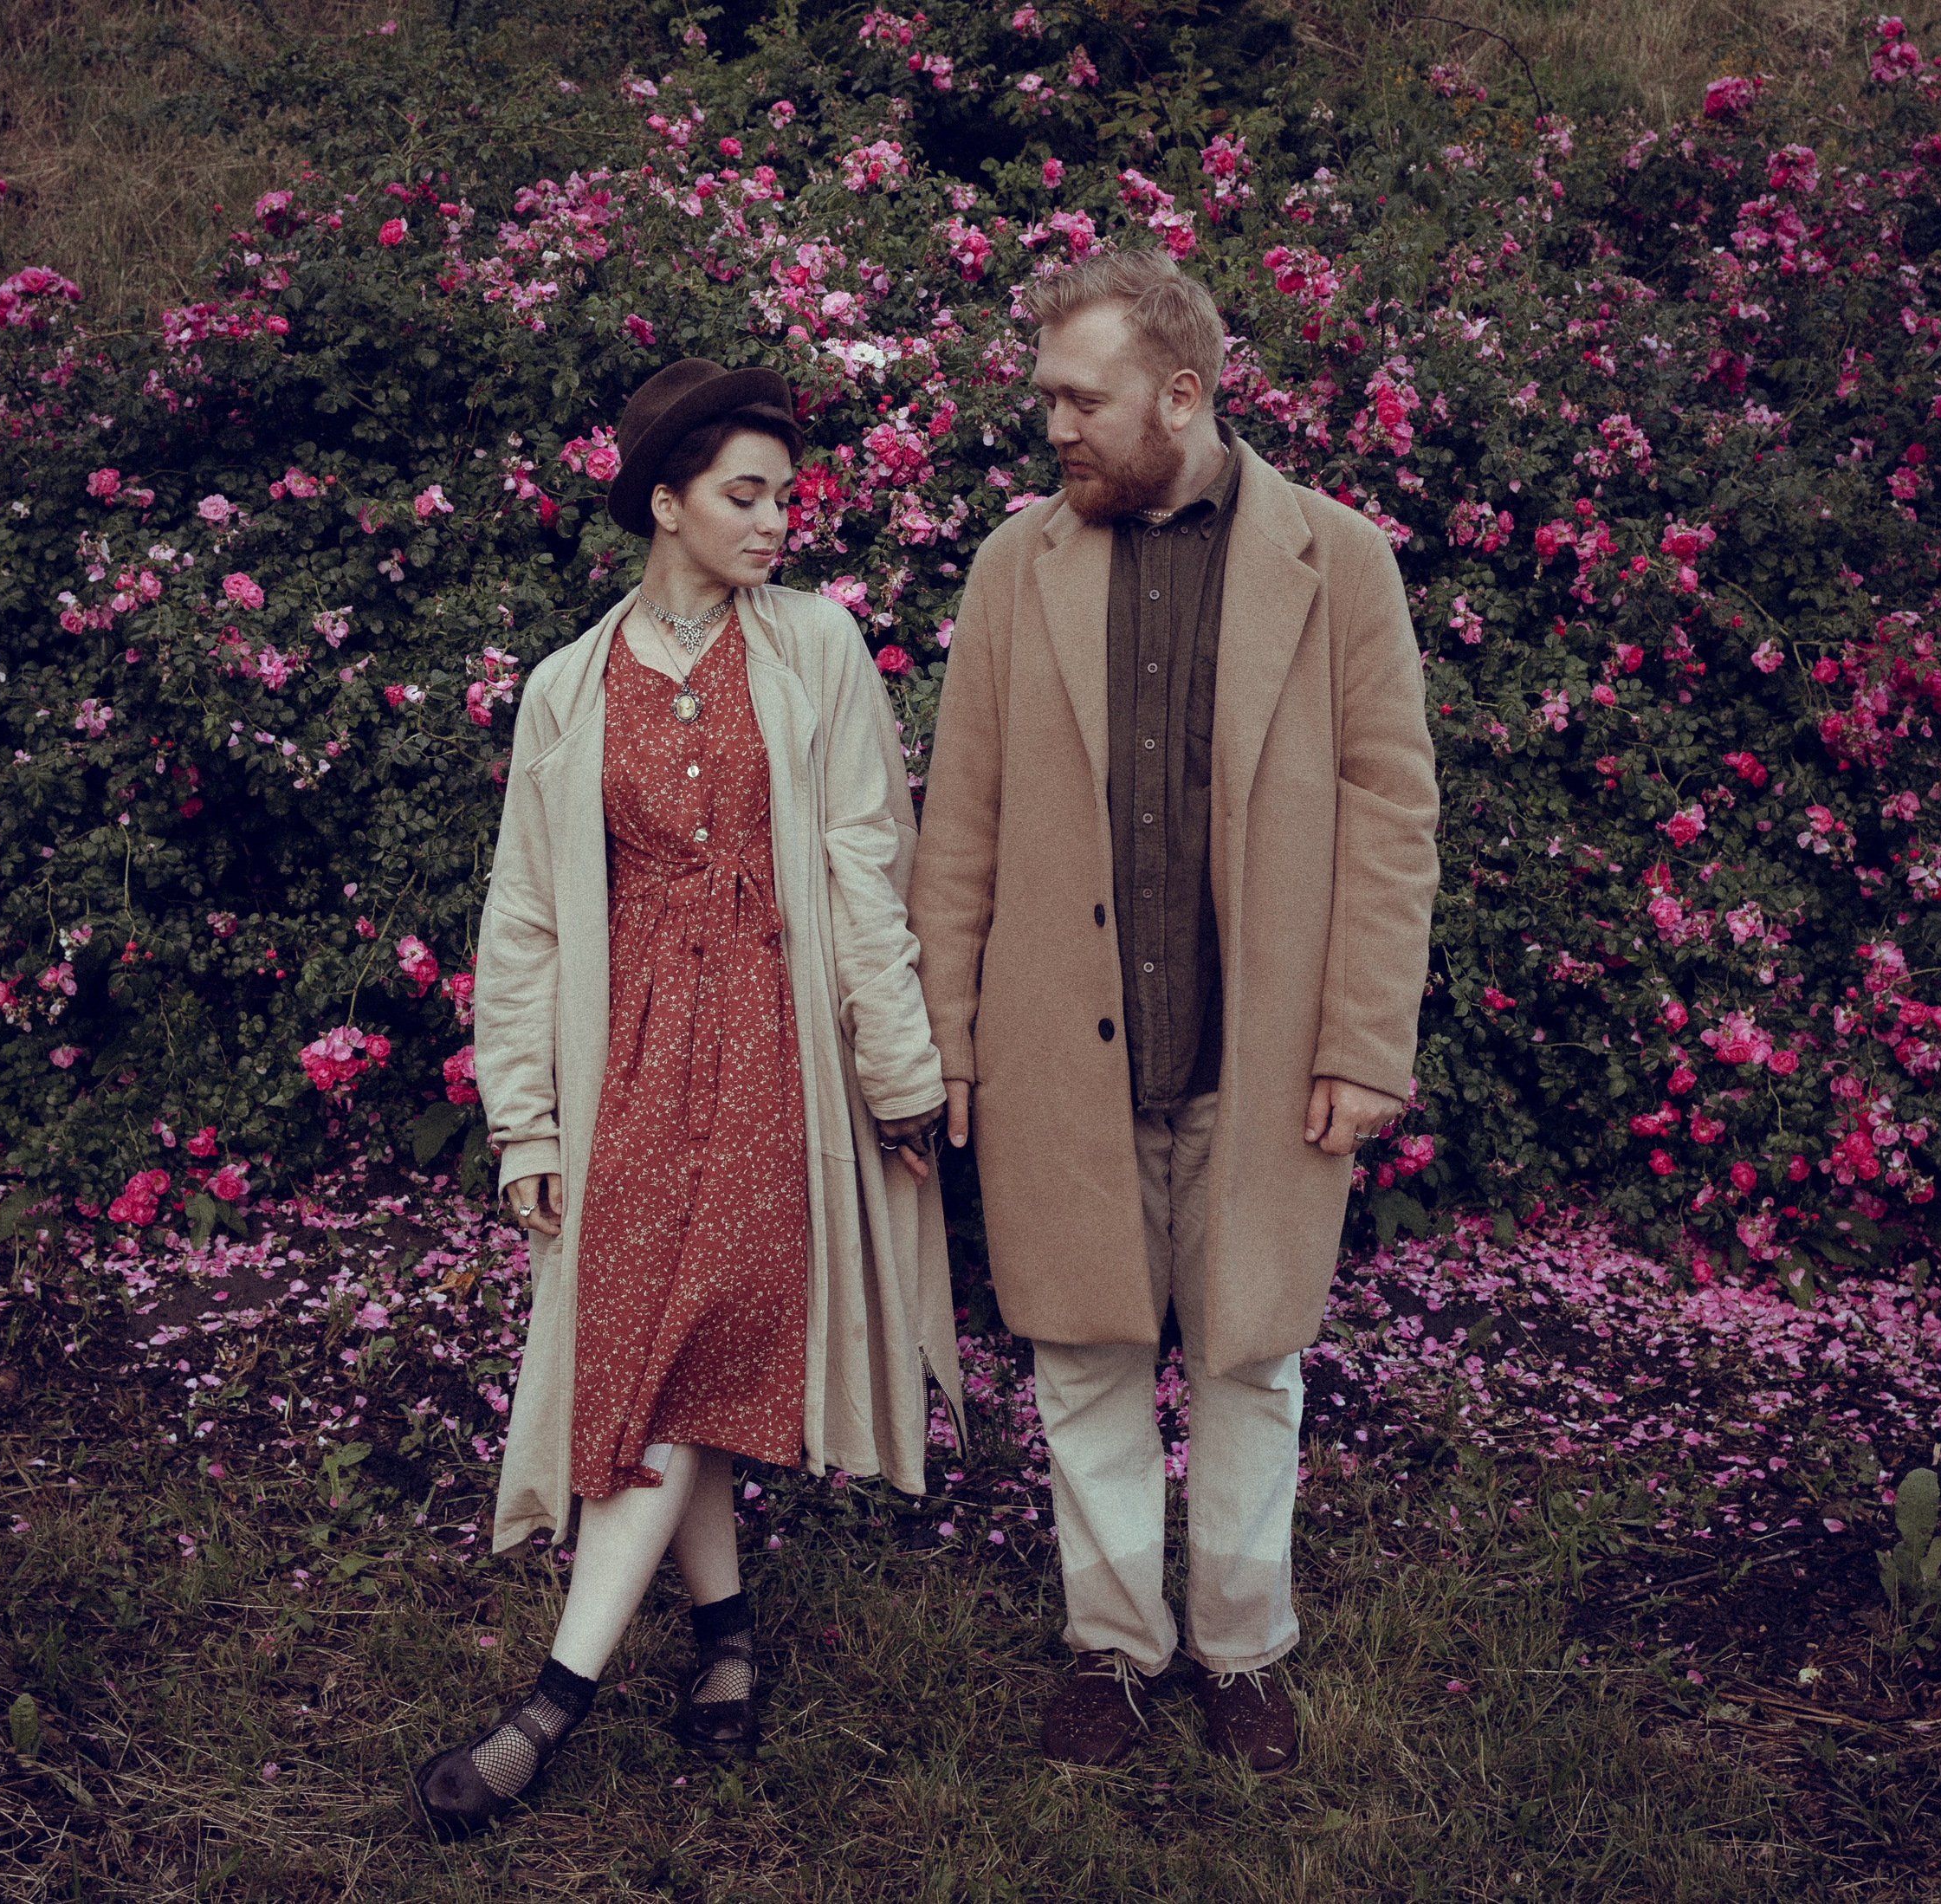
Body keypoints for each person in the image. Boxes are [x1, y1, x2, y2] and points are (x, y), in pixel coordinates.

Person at [908, 249, 1440, 1778]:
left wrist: (1362, 1038)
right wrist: (947, 1034)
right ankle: (1115, 1644)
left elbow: (1393, 815)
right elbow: (967, 824)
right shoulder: (1016, 567)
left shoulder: (1339, 563)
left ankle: (1245, 1646)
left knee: (1248, 1357)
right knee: (1079, 1355)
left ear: (1184, 393)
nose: (1052, 425)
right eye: (1047, 397)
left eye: (1079, 397)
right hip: (1057, 1050)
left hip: (1263, 1055)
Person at [410, 359, 956, 1839]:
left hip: (776, 1043)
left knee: (697, 1315)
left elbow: (865, 864)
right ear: (668, 503)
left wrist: (902, 1069)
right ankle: (725, 1636)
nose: (779, 519)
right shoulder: (564, 690)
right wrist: (525, 1115)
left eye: (786, 494)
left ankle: (553, 1697)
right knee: (652, 1336)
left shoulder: (819, 649)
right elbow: (525, 914)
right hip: (629, 1052)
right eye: (745, 493)